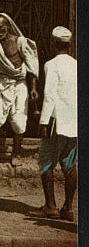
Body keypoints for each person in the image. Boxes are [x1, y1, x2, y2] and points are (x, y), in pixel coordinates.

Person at [0, 12, 39, 166]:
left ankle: (16, 153)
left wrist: (33, 88)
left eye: (0, 28)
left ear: (7, 26)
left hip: (19, 84)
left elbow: (32, 66)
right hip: (3, 83)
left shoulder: (20, 42)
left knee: (19, 120)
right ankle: (1, 131)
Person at [35, 26, 77, 220]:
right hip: (74, 122)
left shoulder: (51, 65)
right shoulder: (76, 65)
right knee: (70, 163)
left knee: (46, 160)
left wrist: (43, 122)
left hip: (56, 121)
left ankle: (50, 205)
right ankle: (68, 207)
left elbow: (50, 95)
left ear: (53, 43)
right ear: (69, 45)